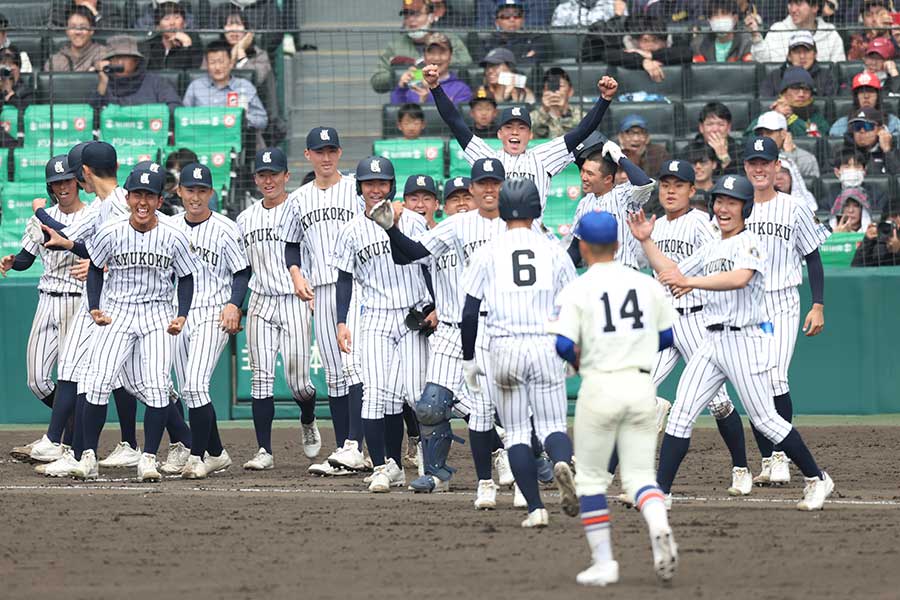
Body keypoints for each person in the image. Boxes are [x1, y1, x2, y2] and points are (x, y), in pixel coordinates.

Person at [629, 173, 835, 511]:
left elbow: (740, 278)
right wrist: (646, 242)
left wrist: (692, 281)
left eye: (732, 202)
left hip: (744, 341)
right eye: (720, 201)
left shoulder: (750, 241)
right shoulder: (712, 246)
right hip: (711, 343)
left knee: (768, 421)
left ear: (745, 208)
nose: (724, 208)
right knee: (680, 414)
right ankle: (661, 492)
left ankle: (817, 478)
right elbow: (671, 272)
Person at [368, 159, 516, 504]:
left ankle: (520, 455)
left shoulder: (513, 225)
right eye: (457, 197)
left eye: (469, 193)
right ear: (444, 205)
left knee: (506, 404)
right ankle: (437, 474)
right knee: (431, 405)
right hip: (450, 329)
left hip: (496, 326)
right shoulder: (450, 230)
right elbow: (410, 256)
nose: (463, 201)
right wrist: (391, 230)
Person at [547, 210, 678, 586]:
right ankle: (658, 524)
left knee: (589, 481)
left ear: (583, 247)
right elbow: (668, 338)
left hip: (600, 386)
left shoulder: (577, 288)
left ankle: (605, 563)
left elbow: (562, 344)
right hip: (640, 386)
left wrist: (583, 357)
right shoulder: (646, 285)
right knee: (639, 476)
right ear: (619, 244)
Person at [30, 142, 158, 477]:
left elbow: (148, 241)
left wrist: (39, 210)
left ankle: (190, 444)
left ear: (86, 172)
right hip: (103, 300)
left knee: (145, 384)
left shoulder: (119, 202)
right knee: (87, 374)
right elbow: (77, 239)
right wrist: (91, 257)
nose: (75, 181)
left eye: (78, 174)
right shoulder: (105, 204)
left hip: (126, 304)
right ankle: (73, 449)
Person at [62, 164, 195, 482]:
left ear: (159, 201)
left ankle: (148, 458)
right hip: (117, 312)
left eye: (149, 195)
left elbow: (187, 277)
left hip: (157, 314)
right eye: (137, 194)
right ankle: (89, 457)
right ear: (129, 197)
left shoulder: (174, 235)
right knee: (96, 381)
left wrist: (182, 313)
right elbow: (94, 266)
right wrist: (94, 307)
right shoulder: (112, 231)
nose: (143, 202)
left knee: (157, 385)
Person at [459, 178, 578, 528]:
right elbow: (572, 306)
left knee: (515, 433)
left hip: (503, 347)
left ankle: (535, 509)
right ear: (536, 210)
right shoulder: (553, 250)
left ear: (502, 209)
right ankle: (561, 463)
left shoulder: (488, 251)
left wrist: (469, 359)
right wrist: (571, 354)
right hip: (544, 344)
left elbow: (469, 311)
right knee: (553, 425)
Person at [332, 156, 431, 493]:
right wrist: (341, 321)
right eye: (369, 183)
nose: (375, 188)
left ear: (391, 185)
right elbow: (344, 280)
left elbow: (428, 265)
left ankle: (431, 466)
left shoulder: (414, 221)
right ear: (360, 188)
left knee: (417, 395)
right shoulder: (350, 230)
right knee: (376, 396)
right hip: (374, 316)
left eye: (382, 182)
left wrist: (434, 308)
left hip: (412, 315)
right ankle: (383, 467)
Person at [742, 137, 829, 485]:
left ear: (778, 166)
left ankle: (780, 457)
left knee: (775, 377)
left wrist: (818, 304)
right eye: (753, 162)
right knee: (752, 384)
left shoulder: (793, 207)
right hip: (746, 305)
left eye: (766, 162)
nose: (759, 168)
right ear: (746, 167)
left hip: (782, 300)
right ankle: (767, 460)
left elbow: (813, 257)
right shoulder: (736, 207)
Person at [281, 128, 366, 477]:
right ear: (308, 156)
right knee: (334, 376)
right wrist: (296, 274)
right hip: (322, 291)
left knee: (354, 368)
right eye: (320, 151)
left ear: (340, 153)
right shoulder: (299, 199)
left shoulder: (355, 191)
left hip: (358, 285)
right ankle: (348, 446)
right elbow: (290, 244)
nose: (326, 157)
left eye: (331, 150)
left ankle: (357, 447)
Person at [427, 64, 619, 211]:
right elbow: (455, 122)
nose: (515, 132)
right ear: (499, 133)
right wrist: (435, 86)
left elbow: (583, 130)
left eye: (521, 128)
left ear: (531, 134)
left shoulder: (543, 156)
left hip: (533, 233)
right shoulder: (486, 158)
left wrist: (604, 99)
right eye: (509, 127)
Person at [236, 148, 320, 471]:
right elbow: (240, 267)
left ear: (287, 176)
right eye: (262, 174)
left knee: (299, 381)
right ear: (255, 178)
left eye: (274, 173)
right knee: (261, 378)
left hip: (295, 298)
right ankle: (263, 450)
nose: (268, 179)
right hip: (261, 300)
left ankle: (308, 417)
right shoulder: (245, 218)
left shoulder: (300, 210)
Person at [2, 156, 87, 462]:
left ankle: (64, 440)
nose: (62, 187)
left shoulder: (88, 216)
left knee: (70, 377)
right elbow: (27, 256)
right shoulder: (41, 217)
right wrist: (13, 261)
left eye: (66, 181)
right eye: (56, 183)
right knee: (37, 380)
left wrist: (39, 211)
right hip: (46, 299)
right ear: (50, 187)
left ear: (77, 181)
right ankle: (73, 423)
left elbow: (67, 234)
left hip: (77, 303)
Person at [171, 162, 247, 479]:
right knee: (185, 391)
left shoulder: (227, 228)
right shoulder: (169, 226)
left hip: (213, 312)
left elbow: (242, 271)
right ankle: (216, 452)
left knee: (196, 384)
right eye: (191, 190)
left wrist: (234, 304)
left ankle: (197, 457)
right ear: (179, 191)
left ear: (211, 193)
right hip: (177, 315)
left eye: (202, 190)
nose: (196, 197)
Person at [567, 139, 656, 270]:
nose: (583, 177)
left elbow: (644, 183)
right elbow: (576, 248)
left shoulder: (624, 194)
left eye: (590, 173)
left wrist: (620, 157)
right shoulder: (584, 202)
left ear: (608, 179)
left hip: (625, 270)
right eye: (583, 171)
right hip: (595, 274)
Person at [370, 0, 471, 94]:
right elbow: (376, 82)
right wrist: (399, 75)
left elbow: (466, 61)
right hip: (409, 101)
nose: (411, 20)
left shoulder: (448, 39)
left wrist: (429, 63)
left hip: (445, 93)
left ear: (431, 16)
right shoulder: (395, 46)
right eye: (406, 15)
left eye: (416, 14)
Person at [213, 8, 283, 139]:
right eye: (229, 24)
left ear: (246, 30)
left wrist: (240, 54)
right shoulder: (214, 54)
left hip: (253, 117)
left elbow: (256, 79)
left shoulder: (260, 55)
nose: (234, 29)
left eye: (238, 24)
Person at [183, 39, 268, 134]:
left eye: (221, 61)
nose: (217, 67)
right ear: (207, 65)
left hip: (237, 142)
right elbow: (183, 118)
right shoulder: (195, 86)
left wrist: (240, 118)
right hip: (202, 141)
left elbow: (262, 120)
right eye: (212, 63)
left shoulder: (244, 86)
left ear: (231, 63)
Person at [749, 111, 818, 213]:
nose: (764, 137)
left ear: (783, 134)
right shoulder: (752, 159)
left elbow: (802, 189)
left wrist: (788, 156)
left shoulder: (806, 158)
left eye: (769, 133)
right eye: (760, 133)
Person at [91, 36, 182, 112]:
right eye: (115, 58)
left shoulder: (156, 82)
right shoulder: (103, 82)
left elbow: (176, 108)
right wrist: (103, 82)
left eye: (125, 57)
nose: (120, 62)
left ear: (136, 61)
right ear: (109, 61)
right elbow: (91, 116)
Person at [747, 0, 845, 63]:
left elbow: (838, 73)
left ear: (815, 7)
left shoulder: (831, 34)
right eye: (791, 3)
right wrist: (755, 36)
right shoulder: (778, 29)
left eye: (798, 3)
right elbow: (764, 64)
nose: (793, 9)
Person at [600, 16, 693, 82]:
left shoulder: (674, 40)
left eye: (655, 40)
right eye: (646, 40)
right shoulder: (627, 41)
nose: (651, 44)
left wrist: (651, 55)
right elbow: (608, 54)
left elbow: (687, 53)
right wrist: (643, 61)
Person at [391, 33, 471, 105]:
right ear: (424, 56)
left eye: (442, 52)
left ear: (450, 56)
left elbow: (456, 119)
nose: (436, 58)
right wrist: (401, 88)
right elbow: (396, 116)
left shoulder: (461, 89)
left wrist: (426, 100)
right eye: (431, 52)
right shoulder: (412, 83)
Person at [758, 31, 837, 97]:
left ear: (815, 54)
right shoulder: (774, 77)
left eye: (807, 51)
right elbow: (765, 104)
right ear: (789, 56)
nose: (802, 56)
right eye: (797, 52)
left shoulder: (826, 76)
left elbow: (829, 108)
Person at [471, 0, 544, 64]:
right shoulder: (487, 43)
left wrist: (499, 62)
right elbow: (483, 65)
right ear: (497, 21)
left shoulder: (533, 40)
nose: (512, 19)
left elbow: (534, 64)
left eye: (517, 15)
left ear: (523, 20)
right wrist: (522, 59)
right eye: (506, 15)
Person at [831, 71, 900, 137]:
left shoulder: (893, 123)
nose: (866, 96)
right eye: (861, 92)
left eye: (871, 91)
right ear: (856, 97)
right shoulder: (841, 125)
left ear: (878, 96)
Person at [767, 66, 830, 138]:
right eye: (795, 89)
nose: (801, 94)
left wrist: (791, 118)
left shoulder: (818, 119)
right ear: (784, 93)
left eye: (806, 90)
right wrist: (775, 116)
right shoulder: (767, 116)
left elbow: (815, 140)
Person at [141, 1, 203, 71]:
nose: (172, 23)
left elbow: (190, 72)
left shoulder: (193, 41)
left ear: (184, 23)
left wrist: (186, 45)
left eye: (177, 17)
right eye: (166, 19)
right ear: (158, 27)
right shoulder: (150, 46)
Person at [45, 6, 110, 73]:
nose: (78, 32)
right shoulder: (55, 61)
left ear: (92, 30)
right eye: (73, 27)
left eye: (83, 27)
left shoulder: (104, 54)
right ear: (67, 31)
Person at [842, 107, 900, 175]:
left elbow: (897, 177)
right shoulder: (842, 150)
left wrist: (887, 151)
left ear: (880, 129)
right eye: (857, 126)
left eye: (867, 126)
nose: (862, 131)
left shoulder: (895, 151)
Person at [531, 67, 585, 140]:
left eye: (560, 86)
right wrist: (545, 111)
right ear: (544, 91)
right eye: (550, 87)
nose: (556, 91)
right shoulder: (532, 117)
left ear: (570, 91)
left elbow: (580, 135)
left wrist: (564, 113)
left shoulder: (582, 116)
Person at [832, 147, 889, 212]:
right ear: (837, 172)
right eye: (847, 167)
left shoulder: (878, 195)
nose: (852, 170)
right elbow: (819, 219)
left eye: (857, 166)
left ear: (864, 171)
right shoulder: (830, 196)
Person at [616, 114, 670, 180]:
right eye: (630, 133)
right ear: (620, 137)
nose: (636, 139)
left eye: (641, 133)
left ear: (647, 138)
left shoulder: (659, 154)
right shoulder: (612, 153)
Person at [694, 102, 740, 174]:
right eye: (710, 124)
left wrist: (725, 158)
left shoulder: (739, 152)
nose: (715, 129)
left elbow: (740, 181)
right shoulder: (689, 151)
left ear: (728, 127)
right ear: (701, 127)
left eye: (721, 124)